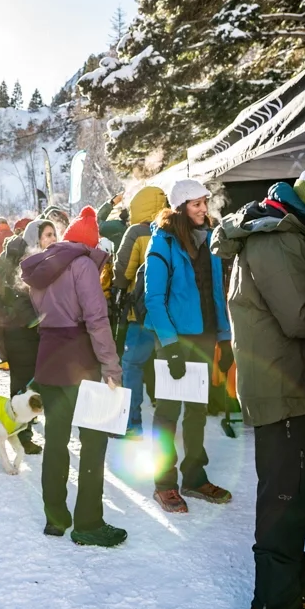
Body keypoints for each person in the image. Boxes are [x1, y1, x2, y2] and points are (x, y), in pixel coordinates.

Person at [212, 174, 305, 609]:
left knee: (296, 492)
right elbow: (302, 317)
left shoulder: (289, 233)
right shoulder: (277, 239)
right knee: (283, 499)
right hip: (277, 384)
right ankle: (272, 607)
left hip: (285, 381)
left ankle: (293, 588)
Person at [20, 207, 126, 547]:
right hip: (82, 362)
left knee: (55, 441)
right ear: (91, 244)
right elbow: (97, 320)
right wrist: (111, 367)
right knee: (93, 443)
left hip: (50, 361)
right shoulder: (81, 265)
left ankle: (56, 517)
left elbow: (43, 315)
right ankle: (89, 523)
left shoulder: (41, 268)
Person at [143, 179, 233, 513]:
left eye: (204, 202)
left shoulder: (210, 238)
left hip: (206, 338)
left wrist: (224, 337)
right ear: (181, 207)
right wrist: (169, 345)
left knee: (197, 412)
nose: (203, 209)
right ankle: (163, 483)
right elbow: (154, 299)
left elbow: (216, 293)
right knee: (168, 413)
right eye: (196, 204)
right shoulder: (162, 242)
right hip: (175, 341)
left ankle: (194, 477)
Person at [112, 184, 167, 433]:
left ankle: (132, 423)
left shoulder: (136, 232)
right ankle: (169, 429)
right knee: (165, 365)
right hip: (171, 314)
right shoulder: (173, 229)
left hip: (142, 313)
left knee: (131, 364)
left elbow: (122, 273)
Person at [0, 218, 54, 406]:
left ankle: (29, 416)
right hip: (17, 329)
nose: (53, 239)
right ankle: (20, 428)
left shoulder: (46, 258)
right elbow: (2, 295)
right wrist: (22, 317)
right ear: (36, 237)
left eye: (54, 234)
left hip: (39, 328)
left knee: (37, 377)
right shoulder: (15, 257)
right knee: (22, 379)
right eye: (48, 235)